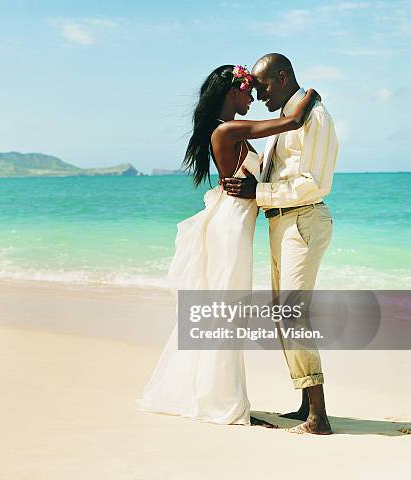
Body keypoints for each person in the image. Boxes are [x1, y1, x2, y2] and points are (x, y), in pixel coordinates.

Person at [135, 64, 320, 426]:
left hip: (235, 225)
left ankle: (217, 395)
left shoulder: (233, 132)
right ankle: (226, 402)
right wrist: (311, 94)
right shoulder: (230, 129)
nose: (252, 96)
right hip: (230, 229)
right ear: (231, 93)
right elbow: (294, 122)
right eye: (247, 90)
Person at [223, 53, 338, 435]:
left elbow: (314, 183)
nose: (258, 94)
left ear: (284, 78)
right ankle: (307, 404)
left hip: (303, 219)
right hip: (282, 222)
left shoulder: (315, 117)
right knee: (284, 316)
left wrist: (260, 192)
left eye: (264, 86)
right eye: (252, 88)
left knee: (292, 314)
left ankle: (319, 417)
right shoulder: (290, 117)